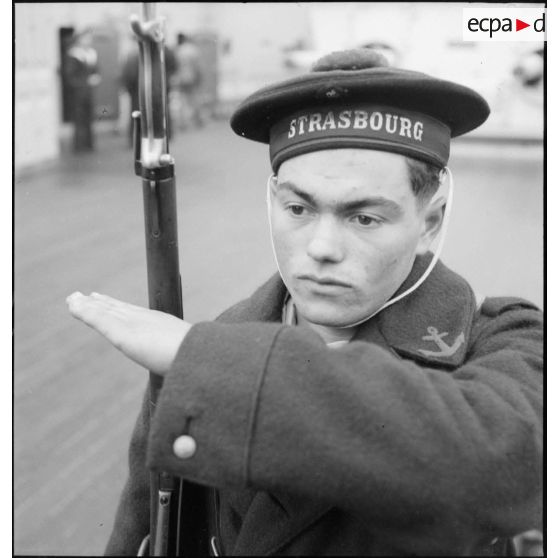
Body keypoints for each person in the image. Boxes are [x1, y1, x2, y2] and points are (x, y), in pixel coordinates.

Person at [67, 49, 542, 556]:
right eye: (298, 207)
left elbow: (498, 466)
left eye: (364, 218)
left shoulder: (506, 341)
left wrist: (213, 365)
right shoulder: (219, 339)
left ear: (430, 221)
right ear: (272, 199)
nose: (321, 248)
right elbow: (145, 523)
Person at [120, 36, 178, 146]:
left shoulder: (133, 54)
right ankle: (162, 136)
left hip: (138, 90)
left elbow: (129, 76)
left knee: (137, 115)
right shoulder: (163, 50)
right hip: (158, 88)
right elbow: (172, 67)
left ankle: (137, 139)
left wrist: (129, 88)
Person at [64, 29, 101, 152]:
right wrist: (86, 81)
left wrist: (96, 77)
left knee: (89, 117)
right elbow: (70, 76)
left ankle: (89, 144)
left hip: (89, 92)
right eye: (86, 38)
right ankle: (79, 145)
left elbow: (96, 70)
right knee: (79, 118)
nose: (88, 41)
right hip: (77, 92)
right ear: (79, 39)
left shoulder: (91, 53)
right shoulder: (74, 54)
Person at [172, 32, 203, 129]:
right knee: (194, 99)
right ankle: (197, 120)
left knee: (182, 100)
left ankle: (182, 123)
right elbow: (198, 66)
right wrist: (199, 77)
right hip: (192, 78)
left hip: (181, 78)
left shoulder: (178, 50)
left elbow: (174, 67)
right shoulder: (193, 50)